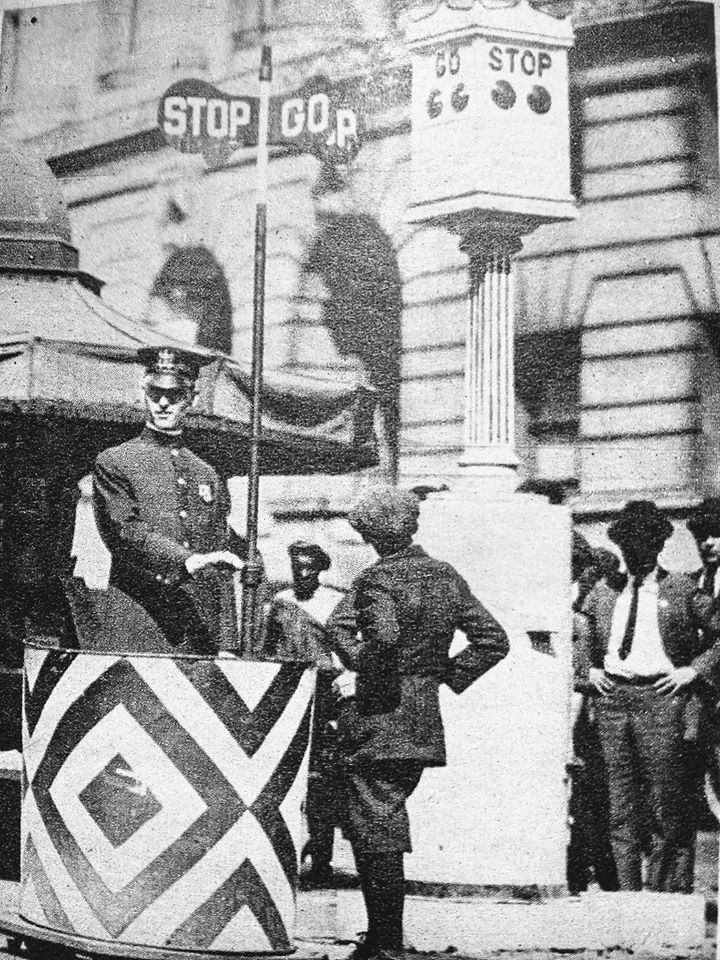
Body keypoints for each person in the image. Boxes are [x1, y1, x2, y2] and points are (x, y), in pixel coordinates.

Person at [331, 485, 509, 959]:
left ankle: (386, 945)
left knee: (376, 826)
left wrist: (360, 670)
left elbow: (383, 641)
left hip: (379, 718)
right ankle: (383, 939)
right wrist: (442, 676)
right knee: (381, 820)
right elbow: (494, 640)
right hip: (421, 719)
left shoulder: (376, 579)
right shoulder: (445, 575)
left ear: (370, 533)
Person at [582, 500, 720, 892]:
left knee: (665, 800)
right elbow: (582, 633)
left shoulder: (681, 589)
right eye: (628, 543)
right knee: (618, 800)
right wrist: (588, 670)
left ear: (659, 545)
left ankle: (665, 892)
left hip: (662, 700)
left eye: (645, 543)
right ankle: (627, 892)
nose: (636, 551)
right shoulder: (603, 592)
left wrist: (693, 670)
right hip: (612, 701)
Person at [92, 346, 244, 654]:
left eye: (174, 396)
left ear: (191, 399)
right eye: (154, 393)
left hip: (198, 627)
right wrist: (185, 559)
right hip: (140, 620)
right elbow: (125, 532)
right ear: (143, 393)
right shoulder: (116, 461)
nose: (163, 403)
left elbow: (220, 553)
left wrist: (227, 642)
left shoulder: (207, 473)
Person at [264, 541, 352, 884]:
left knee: (323, 781)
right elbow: (269, 649)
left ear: (320, 569)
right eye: (297, 567)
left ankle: (321, 856)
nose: (302, 574)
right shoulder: (281, 603)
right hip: (289, 697)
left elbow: (345, 650)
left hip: (325, 698)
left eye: (309, 568)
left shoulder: (335, 603)